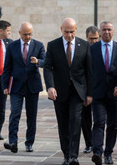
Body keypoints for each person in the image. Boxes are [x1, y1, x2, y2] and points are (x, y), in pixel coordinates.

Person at [44, 18, 93, 165]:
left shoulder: (84, 45)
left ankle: (73, 156)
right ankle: (66, 154)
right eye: (66, 32)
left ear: (76, 30)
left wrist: (90, 93)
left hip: (78, 91)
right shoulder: (53, 45)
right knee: (63, 123)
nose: (69, 35)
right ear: (61, 29)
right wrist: (50, 86)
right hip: (60, 91)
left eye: (72, 32)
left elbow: (89, 70)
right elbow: (47, 67)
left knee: (75, 121)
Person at [1, 22, 45, 153]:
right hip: (16, 86)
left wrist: (38, 61)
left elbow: (46, 61)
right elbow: (7, 67)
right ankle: (13, 141)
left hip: (32, 85)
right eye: (25, 34)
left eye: (30, 34)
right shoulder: (12, 46)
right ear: (19, 33)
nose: (28, 37)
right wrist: (4, 86)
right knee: (15, 113)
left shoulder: (39, 45)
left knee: (32, 115)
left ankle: (29, 142)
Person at [90, 21, 117, 165]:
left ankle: (108, 153)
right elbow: (89, 70)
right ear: (100, 32)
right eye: (104, 30)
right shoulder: (92, 48)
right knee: (99, 122)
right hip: (98, 92)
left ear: (113, 31)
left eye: (109, 30)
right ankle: (97, 153)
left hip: (115, 93)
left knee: (112, 125)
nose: (107, 32)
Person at [81, 25, 99, 154]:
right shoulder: (82, 49)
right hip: (86, 90)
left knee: (99, 119)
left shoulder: (101, 49)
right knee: (85, 119)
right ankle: (89, 143)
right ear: (87, 38)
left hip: (99, 89)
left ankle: (97, 143)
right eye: (91, 38)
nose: (94, 41)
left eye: (96, 38)